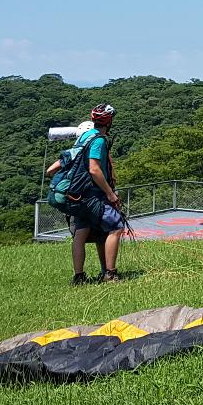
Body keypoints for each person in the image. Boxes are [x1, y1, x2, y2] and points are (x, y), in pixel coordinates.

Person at [45, 103, 123, 284]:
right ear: (109, 121)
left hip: (76, 194)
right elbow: (94, 169)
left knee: (82, 232)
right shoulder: (99, 141)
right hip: (91, 194)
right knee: (115, 226)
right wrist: (110, 193)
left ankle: (79, 276)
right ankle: (110, 274)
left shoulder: (86, 136)